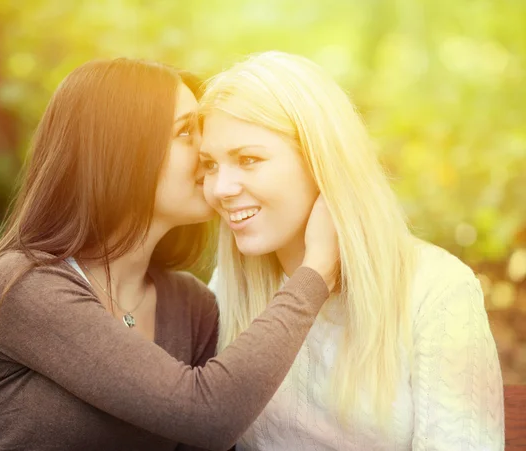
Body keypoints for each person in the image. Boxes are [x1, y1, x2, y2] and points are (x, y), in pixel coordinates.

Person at [0, 57, 339, 451]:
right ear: (120, 150)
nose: (206, 148)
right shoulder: (22, 286)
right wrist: (317, 272)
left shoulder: (191, 305)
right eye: (186, 132)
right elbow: (209, 415)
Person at [199, 51, 504, 450]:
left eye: (248, 159)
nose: (221, 189)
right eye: (209, 164)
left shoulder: (437, 290)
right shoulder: (230, 284)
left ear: (320, 160)